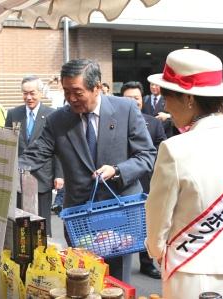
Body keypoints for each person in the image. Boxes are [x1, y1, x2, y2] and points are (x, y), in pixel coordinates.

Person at [19, 59, 157, 283]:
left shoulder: (126, 110)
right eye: (66, 91)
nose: (71, 98)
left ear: (97, 87)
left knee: (117, 283)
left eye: (77, 92)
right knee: (82, 281)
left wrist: (117, 170)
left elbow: (146, 155)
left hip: (119, 211)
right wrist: (5, 173)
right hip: (80, 215)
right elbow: (35, 155)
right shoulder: (58, 120)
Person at [146, 49, 223, 298]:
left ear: (188, 99)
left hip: (189, 267)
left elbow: (158, 215)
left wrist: (157, 251)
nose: (165, 105)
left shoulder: (174, 148)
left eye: (167, 96)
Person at [5, 75, 64, 236]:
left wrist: (59, 175)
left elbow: (58, 148)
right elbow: (8, 145)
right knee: (20, 221)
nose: (29, 97)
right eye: (25, 93)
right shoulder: (13, 114)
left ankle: (44, 253)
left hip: (43, 176)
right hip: (19, 177)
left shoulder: (52, 115)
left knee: (42, 222)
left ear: (40, 93)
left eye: (32, 93)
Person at [121, 81, 166, 279]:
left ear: (142, 100)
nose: (133, 102)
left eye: (136, 98)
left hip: (148, 180)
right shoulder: (112, 122)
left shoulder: (154, 122)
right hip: (120, 182)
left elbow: (160, 147)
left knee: (147, 223)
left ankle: (146, 263)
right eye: (128, 98)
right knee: (120, 224)